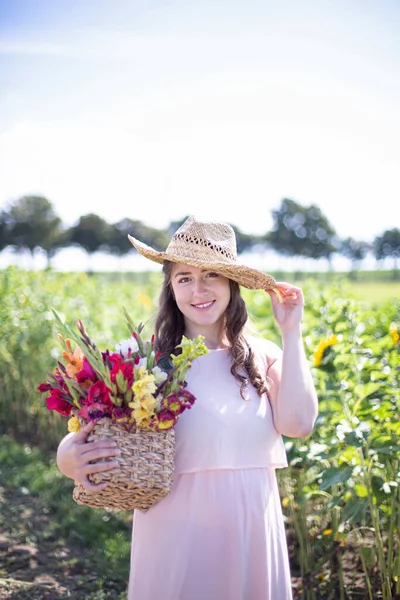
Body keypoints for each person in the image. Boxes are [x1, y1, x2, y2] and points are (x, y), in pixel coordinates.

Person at [56, 215, 318, 600]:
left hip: (251, 536)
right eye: (184, 278)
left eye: (211, 274)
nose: (199, 289)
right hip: (174, 535)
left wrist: (290, 331)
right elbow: (82, 433)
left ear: (231, 284)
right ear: (170, 287)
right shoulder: (144, 362)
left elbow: (299, 423)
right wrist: (68, 459)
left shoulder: (263, 357)